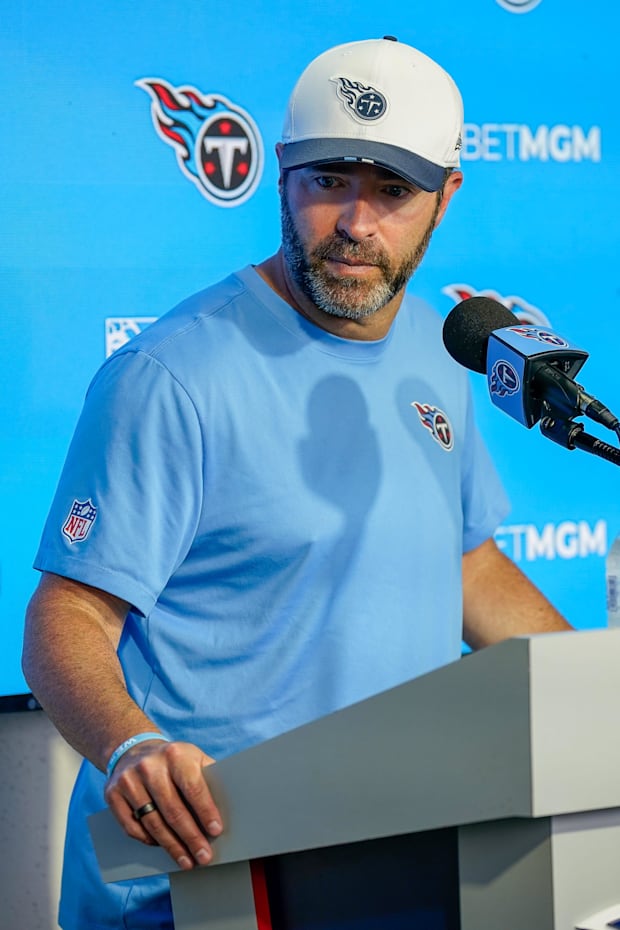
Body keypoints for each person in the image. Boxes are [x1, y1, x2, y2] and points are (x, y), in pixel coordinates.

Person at [22, 36, 572, 930]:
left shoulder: (442, 350)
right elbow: (69, 617)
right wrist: (132, 744)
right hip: (197, 889)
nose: (356, 222)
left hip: (395, 865)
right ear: (281, 175)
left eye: (392, 191)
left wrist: (598, 701)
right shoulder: (170, 376)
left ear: (446, 198)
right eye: (328, 181)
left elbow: (467, 568)